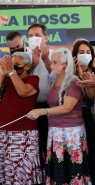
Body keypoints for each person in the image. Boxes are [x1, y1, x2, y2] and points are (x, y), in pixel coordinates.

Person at [27, 48, 91, 184]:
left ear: (65, 65)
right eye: (52, 62)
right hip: (55, 132)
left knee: (73, 169)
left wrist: (41, 111)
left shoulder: (73, 82)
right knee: (59, 169)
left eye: (55, 62)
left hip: (71, 133)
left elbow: (67, 107)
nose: (52, 65)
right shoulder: (53, 83)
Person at [0, 52, 42, 184]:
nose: (12, 68)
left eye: (17, 65)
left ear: (27, 66)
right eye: (11, 65)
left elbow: (23, 91)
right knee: (8, 170)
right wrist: (2, 74)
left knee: (22, 171)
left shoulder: (33, 79)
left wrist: (11, 72)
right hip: (5, 132)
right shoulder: (7, 79)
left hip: (25, 133)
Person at [27, 23, 56, 173]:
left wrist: (45, 60)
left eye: (37, 35)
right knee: (33, 146)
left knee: (49, 144)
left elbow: (60, 79)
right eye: (31, 36)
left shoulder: (55, 55)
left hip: (50, 108)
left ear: (45, 38)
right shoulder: (25, 56)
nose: (34, 38)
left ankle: (49, 176)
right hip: (30, 108)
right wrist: (33, 64)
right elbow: (20, 80)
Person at [72, 38, 95, 181]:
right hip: (74, 117)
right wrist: (76, 74)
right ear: (75, 55)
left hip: (90, 116)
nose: (85, 54)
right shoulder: (69, 72)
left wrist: (87, 83)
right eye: (81, 52)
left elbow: (91, 99)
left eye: (88, 52)